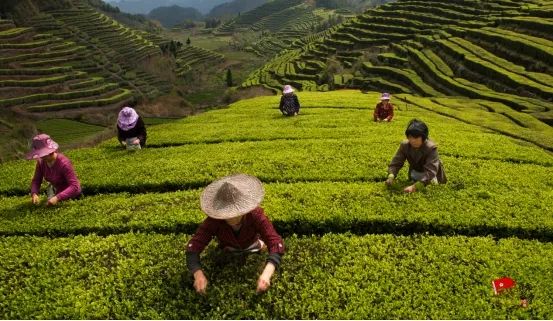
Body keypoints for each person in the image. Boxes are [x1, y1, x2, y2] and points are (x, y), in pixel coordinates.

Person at [186, 174, 285, 295]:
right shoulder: (214, 220)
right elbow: (194, 246)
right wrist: (198, 274)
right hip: (227, 249)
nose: (230, 217)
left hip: (254, 245)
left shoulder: (255, 215)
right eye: (226, 212)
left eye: (234, 212)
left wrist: (266, 274)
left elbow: (276, 242)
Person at [385, 119, 447, 193]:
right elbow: (396, 162)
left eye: (416, 138)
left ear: (423, 137)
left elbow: (431, 171)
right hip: (415, 173)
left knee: (430, 187)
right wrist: (391, 176)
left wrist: (415, 187)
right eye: (410, 137)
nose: (413, 140)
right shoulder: (405, 146)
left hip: (432, 177)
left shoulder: (431, 148)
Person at [27, 134, 82, 206]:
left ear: (50, 152)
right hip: (57, 191)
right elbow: (36, 180)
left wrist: (57, 198)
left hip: (72, 194)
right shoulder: (41, 163)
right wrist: (34, 194)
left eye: (43, 154)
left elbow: (74, 186)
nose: (41, 157)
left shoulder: (64, 164)